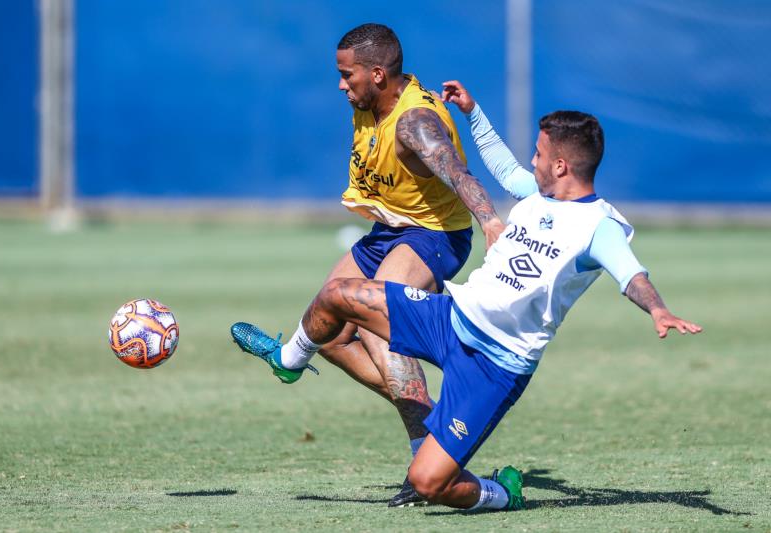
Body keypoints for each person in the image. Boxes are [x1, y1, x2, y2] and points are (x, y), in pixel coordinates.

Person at [231, 99, 702, 510]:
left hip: (495, 366)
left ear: (561, 166)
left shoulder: (600, 227)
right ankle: (288, 359)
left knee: (428, 482)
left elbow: (632, 274)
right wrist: (473, 114)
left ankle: (501, 494)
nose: (532, 163)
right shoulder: (537, 194)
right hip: (449, 317)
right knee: (337, 296)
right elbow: (499, 165)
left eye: (539, 155)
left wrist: (657, 309)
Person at [232, 24, 506, 507]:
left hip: (434, 235)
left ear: (378, 74)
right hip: (389, 231)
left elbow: (456, 171)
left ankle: (425, 452)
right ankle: (296, 362)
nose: (341, 84)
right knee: (331, 329)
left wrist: (490, 222)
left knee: (385, 327)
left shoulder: (414, 122)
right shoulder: (369, 101)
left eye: (347, 75)